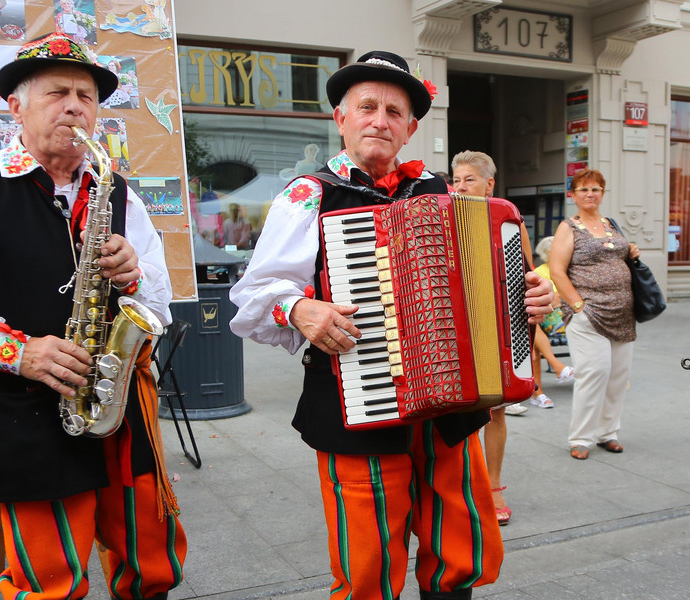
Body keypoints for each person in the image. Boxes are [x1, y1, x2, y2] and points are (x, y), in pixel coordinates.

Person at [229, 50, 555, 600]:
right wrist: (300, 309)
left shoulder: (441, 193)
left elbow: (492, 287)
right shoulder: (307, 196)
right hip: (356, 403)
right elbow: (255, 295)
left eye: (393, 111)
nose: (380, 119)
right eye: (367, 107)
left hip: (449, 408)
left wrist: (530, 295)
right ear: (341, 118)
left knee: (461, 549)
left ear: (409, 128)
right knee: (367, 565)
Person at [0, 33, 187, 600]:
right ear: (16, 106)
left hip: (118, 411)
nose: (76, 106)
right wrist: (18, 351)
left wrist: (132, 277)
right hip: (24, 418)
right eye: (58, 93)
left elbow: (157, 306)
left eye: (87, 96)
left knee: (152, 564)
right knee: (51, 582)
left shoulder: (119, 193)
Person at [450, 150, 525, 529]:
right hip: (452, 322)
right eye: (457, 180)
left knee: (496, 407)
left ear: (489, 184)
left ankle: (493, 486)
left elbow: (526, 276)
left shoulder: (506, 218)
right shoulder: (443, 215)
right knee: (456, 406)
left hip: (495, 322)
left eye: (470, 180)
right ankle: (460, 487)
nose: (461, 187)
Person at [549, 169, 640, 460]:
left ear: (602, 193)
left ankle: (607, 433)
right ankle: (580, 438)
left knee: (617, 377)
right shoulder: (568, 227)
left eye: (596, 189)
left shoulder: (611, 225)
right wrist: (578, 306)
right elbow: (556, 271)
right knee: (593, 374)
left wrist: (632, 251)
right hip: (589, 313)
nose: (590, 194)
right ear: (572, 195)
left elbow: (619, 254)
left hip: (623, 312)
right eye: (584, 189)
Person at [531, 235, 575, 400]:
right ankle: (556, 369)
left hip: (567, 315)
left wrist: (561, 297)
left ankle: (557, 370)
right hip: (551, 319)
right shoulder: (540, 272)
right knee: (534, 323)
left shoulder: (567, 271)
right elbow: (552, 300)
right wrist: (564, 297)